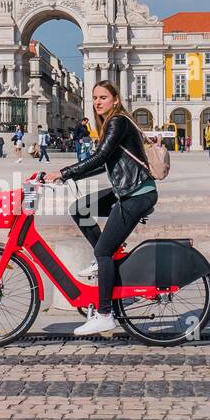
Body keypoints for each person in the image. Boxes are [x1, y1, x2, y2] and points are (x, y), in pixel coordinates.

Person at [44, 80, 158, 337]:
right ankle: (103, 259)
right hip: (127, 192)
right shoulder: (112, 122)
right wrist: (68, 176)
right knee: (80, 208)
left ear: (115, 100)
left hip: (136, 195)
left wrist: (64, 172)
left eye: (103, 97)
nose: (97, 102)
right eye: (95, 97)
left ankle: (105, 314)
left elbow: (100, 157)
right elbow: (103, 163)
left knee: (104, 252)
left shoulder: (117, 121)